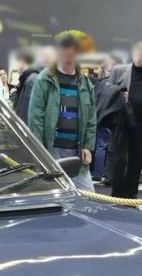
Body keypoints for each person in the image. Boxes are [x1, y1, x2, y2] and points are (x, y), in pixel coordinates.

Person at [28, 33, 97, 192]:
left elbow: (91, 118)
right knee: (52, 196)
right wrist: (39, 153)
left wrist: (88, 146)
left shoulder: (86, 83)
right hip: (51, 150)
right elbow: (35, 118)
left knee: (88, 198)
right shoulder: (44, 80)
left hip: (77, 152)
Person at [107, 41, 142, 198]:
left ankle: (131, 196)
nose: (139, 57)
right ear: (132, 55)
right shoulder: (119, 71)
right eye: (137, 54)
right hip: (122, 122)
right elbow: (107, 90)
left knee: (136, 161)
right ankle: (117, 195)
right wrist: (118, 93)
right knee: (119, 159)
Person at [92, 53, 122, 183]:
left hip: (100, 118)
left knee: (100, 147)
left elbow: (94, 100)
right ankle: (108, 175)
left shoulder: (99, 83)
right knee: (110, 148)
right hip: (113, 119)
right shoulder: (117, 85)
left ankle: (98, 173)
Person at [11, 48, 40, 125]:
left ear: (22, 61)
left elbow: (26, 110)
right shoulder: (27, 79)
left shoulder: (31, 80)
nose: (16, 66)